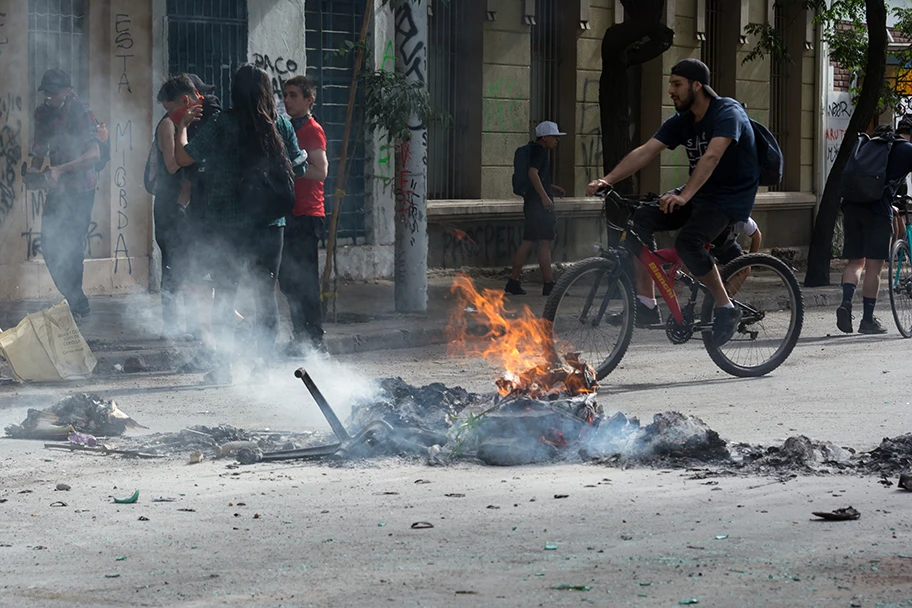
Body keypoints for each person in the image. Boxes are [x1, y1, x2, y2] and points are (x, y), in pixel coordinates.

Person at [586, 58, 759, 346]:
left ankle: (726, 307)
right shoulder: (683, 121)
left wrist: (683, 195)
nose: (670, 90)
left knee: (687, 242)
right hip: (701, 192)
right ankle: (646, 303)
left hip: (730, 198)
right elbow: (647, 151)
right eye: (670, 84)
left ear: (697, 85)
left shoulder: (728, 112)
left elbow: (712, 156)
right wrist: (608, 179)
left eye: (676, 84)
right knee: (640, 219)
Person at [174, 64, 307, 385]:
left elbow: (182, 159)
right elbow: (299, 169)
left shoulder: (221, 123)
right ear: (267, 91)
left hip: (227, 226)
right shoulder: (280, 125)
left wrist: (182, 125)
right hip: (269, 225)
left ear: (234, 91)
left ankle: (224, 369)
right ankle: (261, 369)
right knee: (265, 296)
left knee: (225, 296)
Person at [28, 68, 102, 321]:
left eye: (53, 92)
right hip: (57, 190)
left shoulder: (81, 111)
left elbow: (94, 155)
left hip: (81, 189)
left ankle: (78, 305)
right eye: (46, 93)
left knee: (72, 248)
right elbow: (39, 150)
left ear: (67, 90)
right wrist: (34, 172)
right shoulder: (43, 113)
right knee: (49, 245)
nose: (49, 97)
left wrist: (60, 169)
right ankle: (75, 299)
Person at [836, 121, 912, 334]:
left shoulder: (870, 146)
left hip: (851, 207)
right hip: (877, 211)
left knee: (855, 262)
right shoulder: (906, 150)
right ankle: (867, 320)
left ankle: (846, 304)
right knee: (874, 266)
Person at [279, 76, 330, 356]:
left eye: (294, 95)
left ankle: (314, 339)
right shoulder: (288, 127)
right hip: (289, 212)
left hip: (307, 212)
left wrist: (291, 166)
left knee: (305, 281)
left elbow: (320, 171)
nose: (287, 100)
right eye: (285, 95)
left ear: (309, 100)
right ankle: (300, 336)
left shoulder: (311, 129)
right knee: (288, 280)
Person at [153, 74, 198, 341]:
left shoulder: (187, 122)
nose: (169, 112)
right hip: (169, 206)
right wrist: (181, 125)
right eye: (168, 109)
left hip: (184, 205)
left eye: (170, 107)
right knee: (172, 266)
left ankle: (193, 323)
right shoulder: (168, 126)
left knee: (189, 265)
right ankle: (170, 324)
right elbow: (171, 165)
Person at [504, 121, 567, 297]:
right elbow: (533, 173)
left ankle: (513, 282)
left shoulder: (531, 149)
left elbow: (536, 176)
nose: (557, 140)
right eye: (555, 137)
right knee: (545, 243)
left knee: (528, 242)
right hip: (540, 207)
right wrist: (545, 197)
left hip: (530, 204)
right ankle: (548, 284)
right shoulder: (541, 151)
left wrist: (552, 188)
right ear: (545, 137)